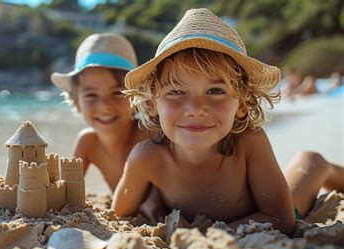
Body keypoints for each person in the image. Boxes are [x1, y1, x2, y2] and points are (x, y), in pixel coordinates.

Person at [112, 8, 344, 234]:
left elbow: (282, 219)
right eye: (176, 91)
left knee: (311, 162)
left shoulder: (248, 142)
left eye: (215, 91)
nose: (195, 109)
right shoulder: (145, 158)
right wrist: (150, 200)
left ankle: (325, 167)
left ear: (242, 105)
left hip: (281, 208)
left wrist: (205, 235)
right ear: (153, 105)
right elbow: (118, 216)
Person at [50, 33, 148, 193]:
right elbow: (66, 190)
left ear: (136, 96)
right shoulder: (88, 142)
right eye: (91, 95)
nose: (104, 106)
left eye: (117, 92)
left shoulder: (148, 137)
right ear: (76, 101)